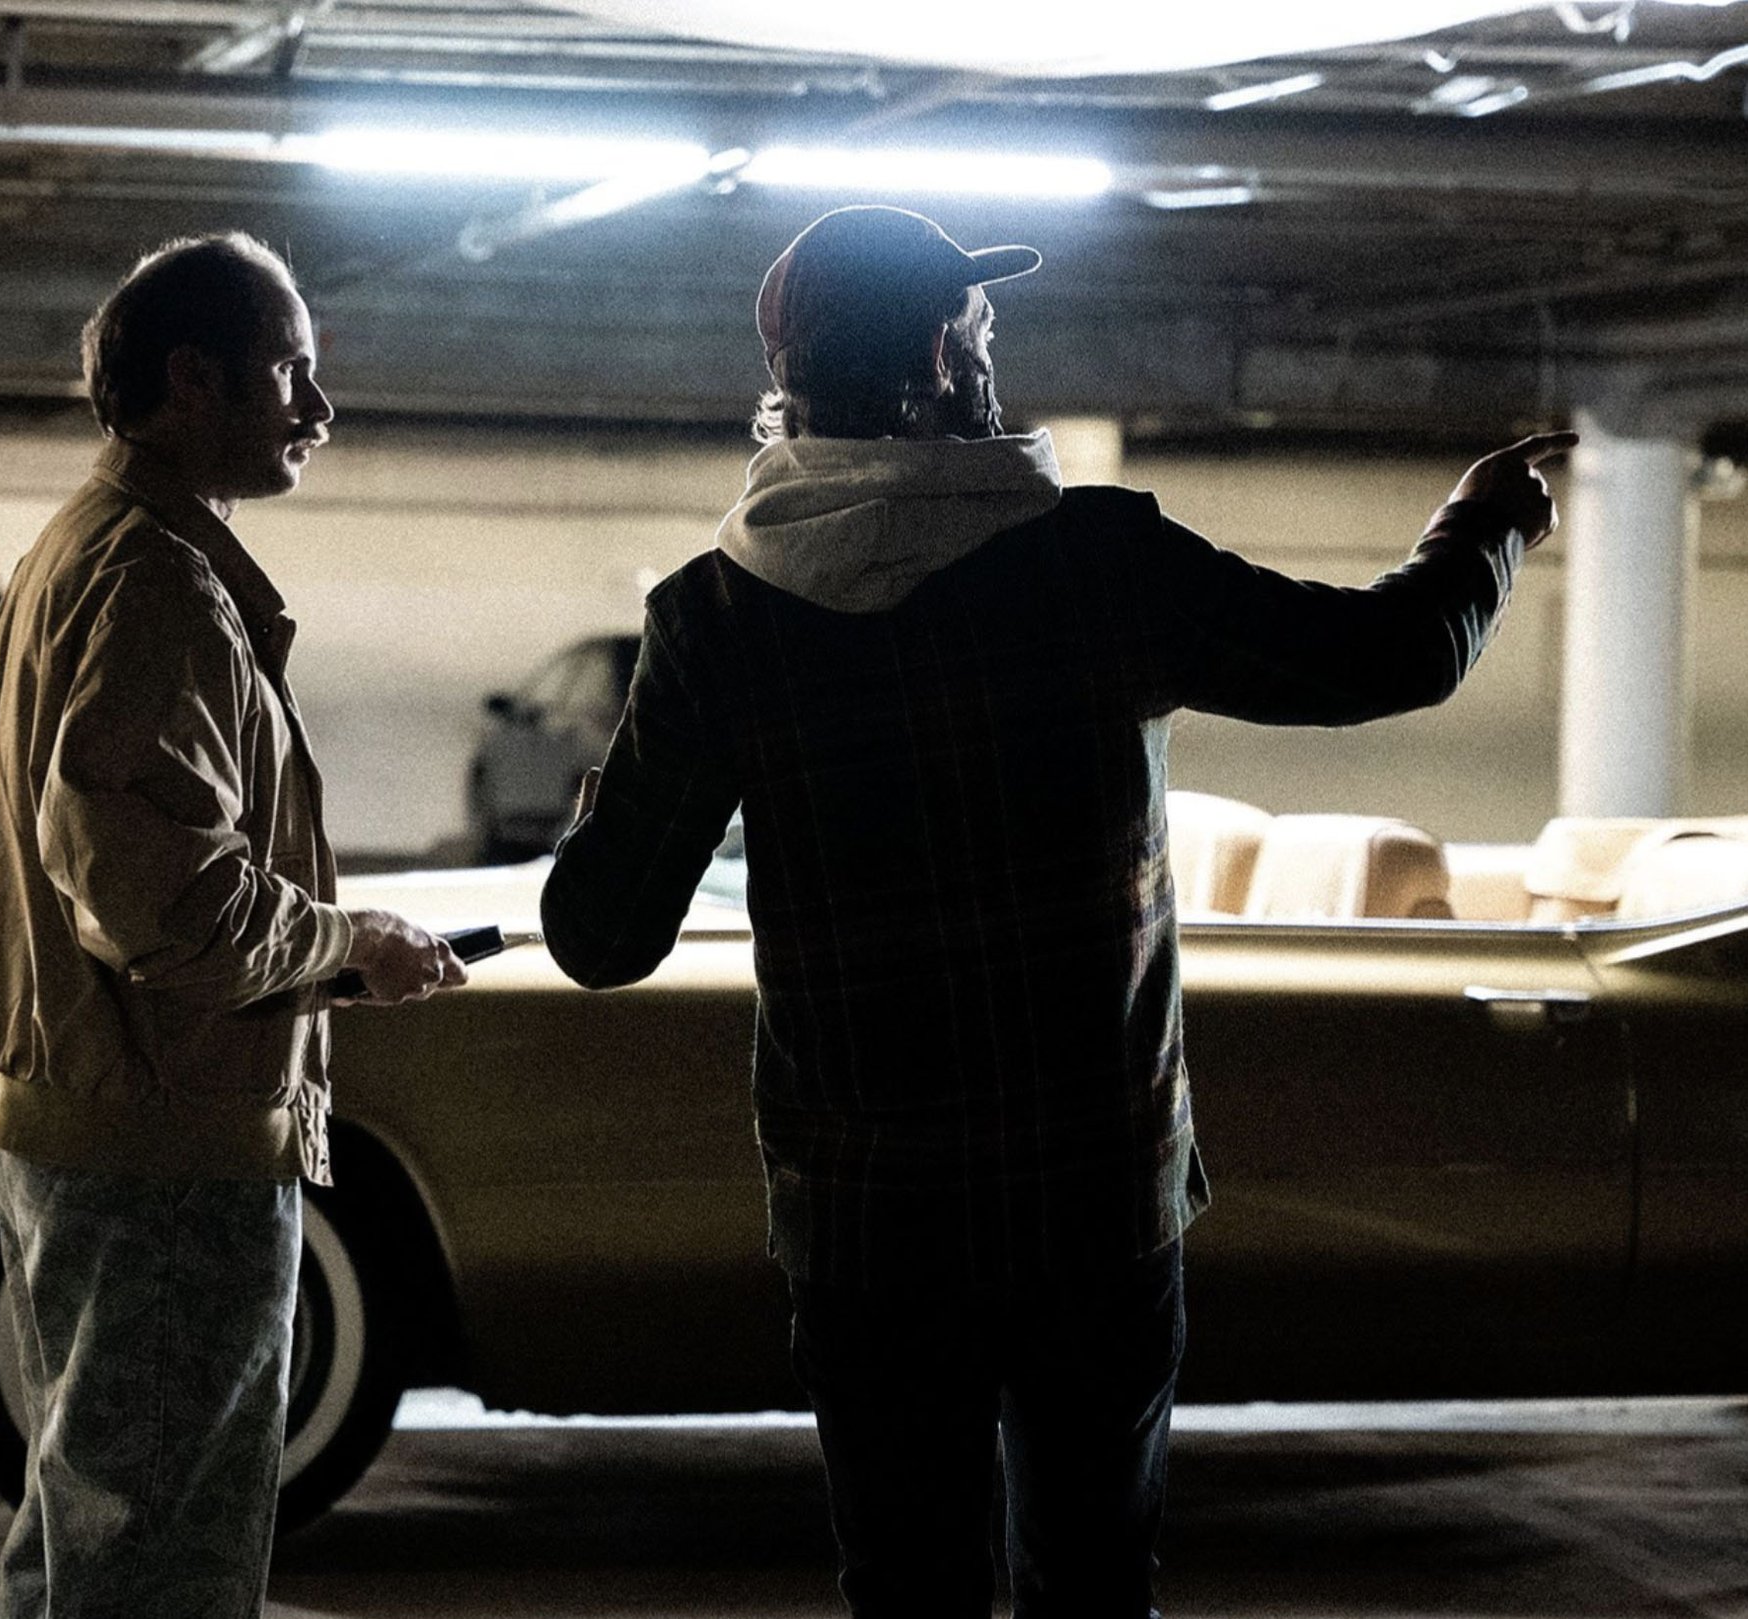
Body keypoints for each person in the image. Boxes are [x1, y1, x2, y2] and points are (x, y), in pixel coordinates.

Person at [540, 204, 1571, 1618]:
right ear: (942, 362)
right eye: (973, 320)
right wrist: (1484, 524)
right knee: (1094, 1583)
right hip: (1092, 1198)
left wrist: (653, 746)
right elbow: (1388, 656)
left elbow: (600, 938)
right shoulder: (1098, 565)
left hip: (869, 1226)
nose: (989, 337)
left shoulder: (717, 619)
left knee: (908, 1589)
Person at [0, 232, 463, 1619]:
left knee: (86, 1525)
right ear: (193, 378)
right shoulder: (161, 587)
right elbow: (162, 898)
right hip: (161, 1152)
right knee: (159, 1551)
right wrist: (348, 943)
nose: (318, 406)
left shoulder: (81, 549)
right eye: (292, 369)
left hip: (80, 1119)